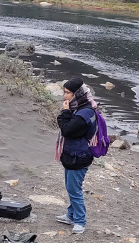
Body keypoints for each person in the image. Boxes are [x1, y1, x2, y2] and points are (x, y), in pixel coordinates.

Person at [55, 77, 98, 234]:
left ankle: (80, 221)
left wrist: (65, 112)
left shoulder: (83, 113)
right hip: (73, 154)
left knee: (74, 190)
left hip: (78, 156)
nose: (65, 96)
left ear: (77, 94)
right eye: (64, 92)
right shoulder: (81, 108)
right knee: (71, 187)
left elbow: (67, 130)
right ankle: (71, 215)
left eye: (68, 93)